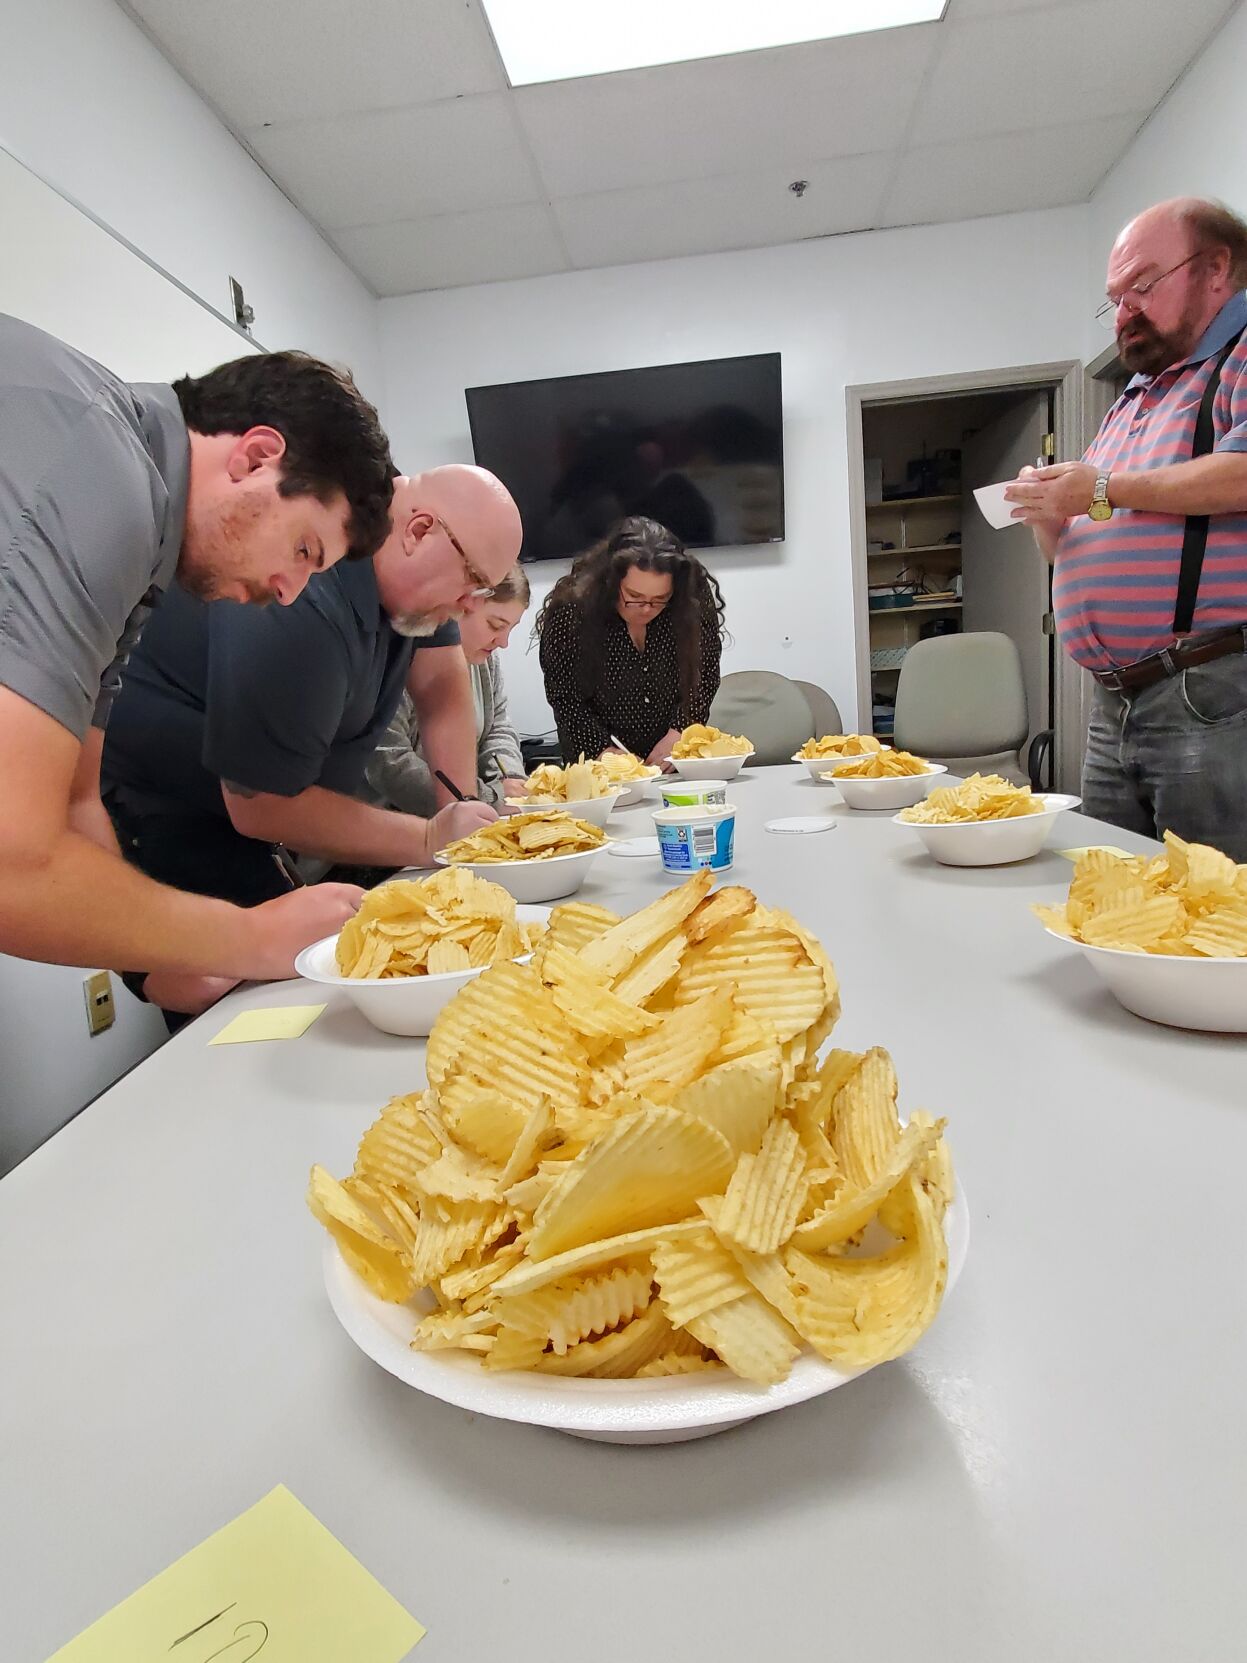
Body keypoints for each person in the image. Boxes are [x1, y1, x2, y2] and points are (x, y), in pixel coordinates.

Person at [0, 312, 393, 985]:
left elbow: (76, 802)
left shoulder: (147, 546)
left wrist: (161, 957)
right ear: (255, 456)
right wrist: (247, 937)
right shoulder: (108, 484)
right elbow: (14, 861)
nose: (291, 590)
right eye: (304, 549)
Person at [101, 465, 521, 1014]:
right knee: (239, 1007)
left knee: (316, 990)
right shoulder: (302, 593)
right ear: (418, 532)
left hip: (265, 822)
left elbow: (443, 688)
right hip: (170, 817)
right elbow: (262, 804)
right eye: (473, 585)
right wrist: (428, 839)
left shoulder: (410, 559)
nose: (471, 605)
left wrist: (461, 821)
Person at [1007, 197, 1247, 860]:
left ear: (1216, 269)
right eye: (1114, 298)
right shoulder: (1134, 397)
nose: (1123, 312)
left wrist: (1101, 488)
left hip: (1205, 694)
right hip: (1114, 704)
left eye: (1141, 286)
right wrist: (1054, 514)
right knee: (1117, 903)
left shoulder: (1237, 357)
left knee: (1217, 919)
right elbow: (1111, 516)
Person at [536, 516, 726, 767]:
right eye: (635, 596)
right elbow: (564, 697)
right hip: (600, 767)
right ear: (611, 582)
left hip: (675, 757)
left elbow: (705, 671)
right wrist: (602, 751)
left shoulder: (690, 597)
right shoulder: (572, 611)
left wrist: (681, 731)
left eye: (660, 599)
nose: (647, 609)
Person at [367, 565, 531, 814]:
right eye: (496, 625)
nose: (504, 642)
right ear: (463, 606)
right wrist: (487, 797)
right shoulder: (402, 656)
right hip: (389, 827)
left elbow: (498, 726)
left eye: (511, 628)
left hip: (459, 813)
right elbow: (389, 762)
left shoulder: (485, 659)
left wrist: (510, 779)